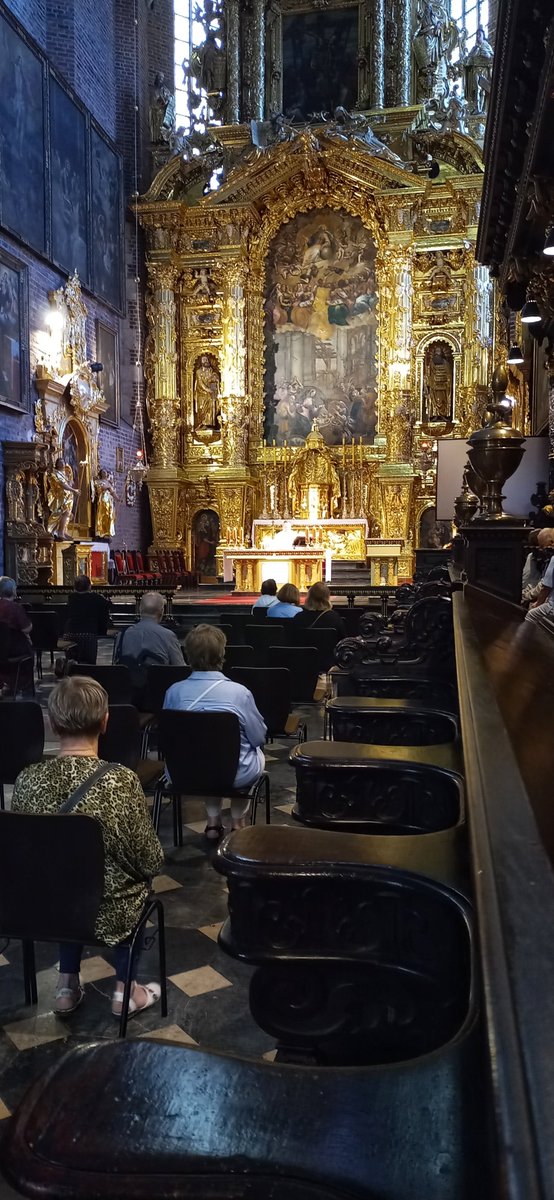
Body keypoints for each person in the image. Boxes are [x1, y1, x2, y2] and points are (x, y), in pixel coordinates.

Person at [11, 676, 164, 1018]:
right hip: (107, 912)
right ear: (105, 721)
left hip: (44, 909)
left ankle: (66, 985)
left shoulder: (27, 779)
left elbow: (27, 853)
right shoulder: (121, 781)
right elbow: (149, 859)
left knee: (67, 877)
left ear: (52, 724)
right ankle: (126, 992)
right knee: (133, 884)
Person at [163, 624, 267, 840]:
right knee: (246, 752)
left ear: (188, 654)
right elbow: (258, 737)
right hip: (233, 774)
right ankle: (238, 822)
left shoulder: (173, 691)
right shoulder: (239, 693)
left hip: (185, 772)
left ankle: (212, 821)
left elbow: (168, 738)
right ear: (222, 653)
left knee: (204, 752)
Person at [114, 592, 185, 671]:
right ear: (162, 611)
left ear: (140, 609)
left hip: (128, 678)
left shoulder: (122, 635)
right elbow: (180, 669)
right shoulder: (168, 636)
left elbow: (116, 667)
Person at [64, 575, 112, 665]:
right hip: (88, 634)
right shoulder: (95, 597)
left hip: (70, 633)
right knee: (89, 663)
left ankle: (70, 670)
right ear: (89, 586)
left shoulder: (71, 597)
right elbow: (107, 605)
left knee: (71, 664)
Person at [0, 575, 33, 693]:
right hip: (13, 650)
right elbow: (26, 629)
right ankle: (23, 685)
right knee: (29, 650)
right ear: (13, 591)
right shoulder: (15, 608)